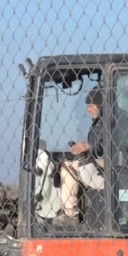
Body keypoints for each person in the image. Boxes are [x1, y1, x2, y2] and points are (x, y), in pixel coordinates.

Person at [54, 88, 105, 227]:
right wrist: (82, 148)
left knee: (69, 166)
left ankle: (71, 213)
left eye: (91, 105)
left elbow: (109, 146)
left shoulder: (111, 121)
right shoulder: (98, 123)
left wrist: (88, 146)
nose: (88, 110)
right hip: (97, 161)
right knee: (68, 165)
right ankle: (70, 212)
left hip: (108, 164)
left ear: (101, 104)